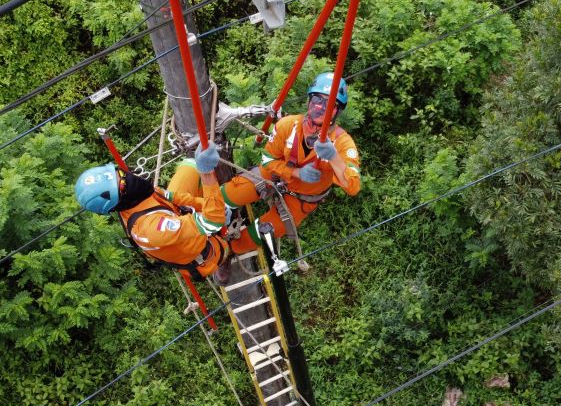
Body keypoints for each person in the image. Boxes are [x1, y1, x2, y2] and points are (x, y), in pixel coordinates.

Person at [223, 72, 361, 254]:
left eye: (330, 105)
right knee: (227, 195)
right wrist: (296, 173)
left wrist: (333, 156)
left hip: (301, 198)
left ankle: (226, 251)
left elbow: (353, 187)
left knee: (261, 233)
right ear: (309, 101)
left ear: (338, 111)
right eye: (317, 100)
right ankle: (208, 219)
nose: (321, 108)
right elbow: (267, 160)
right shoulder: (288, 126)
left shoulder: (342, 144)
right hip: (276, 176)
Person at [74, 142, 232, 282]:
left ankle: (218, 202)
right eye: (122, 183)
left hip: (181, 219)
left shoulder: (138, 195)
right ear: (119, 200)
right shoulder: (149, 230)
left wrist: (205, 204)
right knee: (233, 204)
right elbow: (212, 222)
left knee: (191, 166)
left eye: (119, 172)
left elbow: (170, 197)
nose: (128, 176)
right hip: (206, 253)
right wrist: (207, 175)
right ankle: (227, 256)